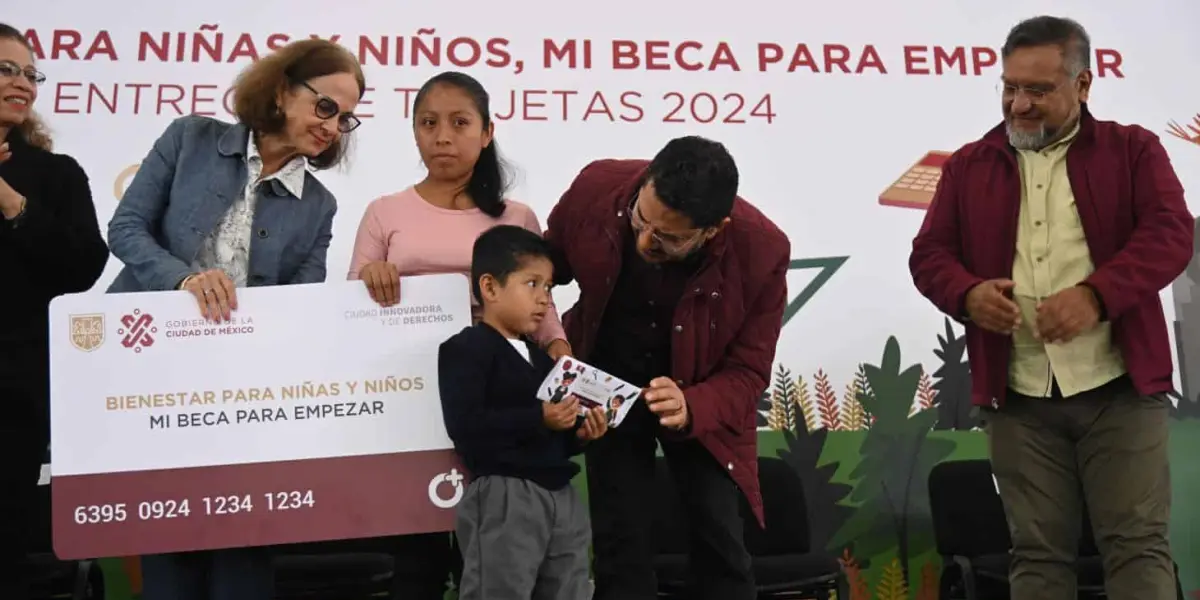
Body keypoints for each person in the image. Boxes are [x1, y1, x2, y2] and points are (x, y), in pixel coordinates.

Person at [908, 16, 1191, 600]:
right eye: (1010, 87)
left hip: (1120, 388)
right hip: (1018, 397)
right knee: (1036, 556)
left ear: (1084, 85)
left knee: (1137, 547)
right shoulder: (968, 165)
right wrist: (966, 294)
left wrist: (1096, 296)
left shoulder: (1134, 149)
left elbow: (1170, 235)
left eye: (1038, 90)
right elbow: (930, 255)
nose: (1019, 104)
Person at [105, 38, 364, 600]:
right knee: (167, 531)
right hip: (153, 373)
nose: (333, 127)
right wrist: (182, 280)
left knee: (245, 540)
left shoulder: (320, 205)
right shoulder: (189, 138)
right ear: (281, 91)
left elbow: (302, 300)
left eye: (346, 119)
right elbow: (125, 229)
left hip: (244, 392)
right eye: (326, 107)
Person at [346, 70, 571, 597]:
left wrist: (559, 350)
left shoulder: (516, 215)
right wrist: (370, 280)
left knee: (501, 550)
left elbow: (543, 299)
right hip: (406, 392)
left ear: (487, 132)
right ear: (414, 131)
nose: (441, 135)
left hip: (501, 394)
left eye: (459, 122)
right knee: (417, 554)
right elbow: (350, 305)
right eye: (428, 123)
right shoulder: (385, 211)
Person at [544, 136, 791, 600]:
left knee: (720, 544)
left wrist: (692, 405)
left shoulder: (762, 251)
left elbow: (749, 371)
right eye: (641, 218)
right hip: (606, 380)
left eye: (667, 238)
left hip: (699, 396)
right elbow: (542, 264)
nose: (643, 240)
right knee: (620, 545)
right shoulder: (598, 188)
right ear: (645, 183)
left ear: (713, 229)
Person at [438, 224, 609, 600]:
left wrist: (578, 435)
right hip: (504, 494)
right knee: (499, 590)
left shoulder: (544, 360)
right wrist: (539, 417)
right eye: (531, 284)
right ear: (490, 287)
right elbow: (465, 425)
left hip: (561, 493)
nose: (544, 299)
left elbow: (553, 437)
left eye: (548, 288)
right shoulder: (466, 348)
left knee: (571, 588)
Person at [0, 23, 109, 600]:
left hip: (14, 395)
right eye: (6, 69)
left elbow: (83, 267)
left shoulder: (54, 173)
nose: (23, 83)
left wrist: (11, 202)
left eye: (30, 73)